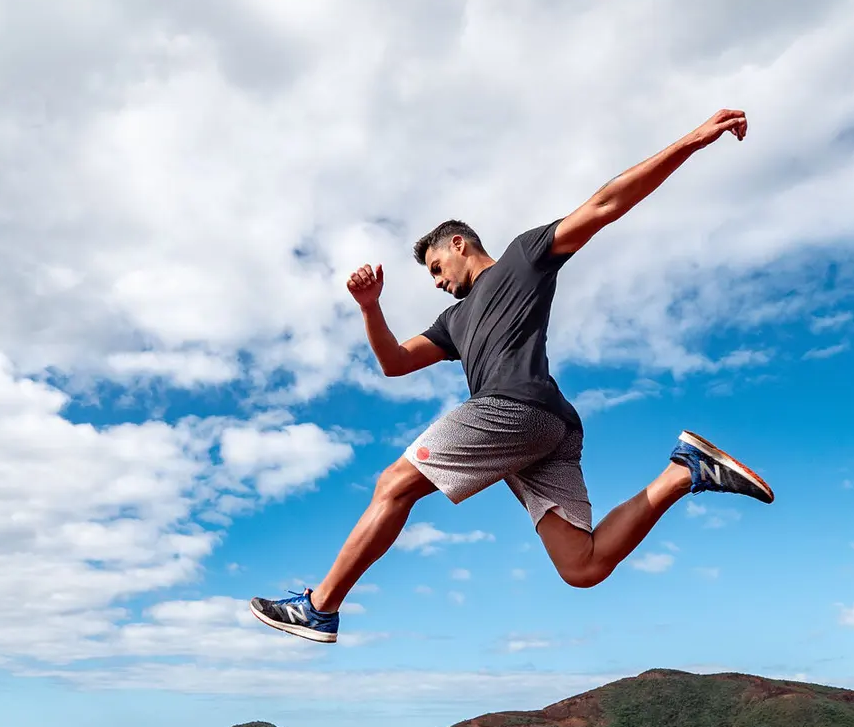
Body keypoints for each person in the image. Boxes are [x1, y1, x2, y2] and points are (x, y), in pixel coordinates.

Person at [250, 109, 773, 643]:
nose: (435, 282)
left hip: (512, 408)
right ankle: (685, 472)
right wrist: (369, 308)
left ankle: (321, 605)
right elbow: (394, 363)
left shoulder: (524, 258)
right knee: (583, 566)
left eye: (434, 268)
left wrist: (692, 141)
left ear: (459, 244)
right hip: (548, 430)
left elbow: (606, 204)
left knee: (392, 484)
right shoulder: (452, 321)